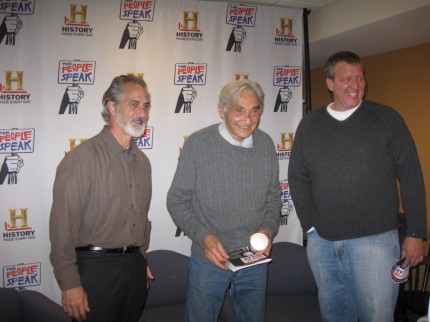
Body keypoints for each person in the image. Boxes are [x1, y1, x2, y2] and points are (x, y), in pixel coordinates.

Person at [288, 51, 427, 322]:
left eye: (360, 78)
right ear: (330, 83)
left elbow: (410, 175)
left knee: (377, 316)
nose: (355, 85)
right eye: (346, 79)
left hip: (375, 241)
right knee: (334, 315)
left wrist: (416, 232)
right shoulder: (310, 125)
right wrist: (311, 226)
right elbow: (298, 177)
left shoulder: (387, 119)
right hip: (323, 242)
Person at [167, 79, 281, 322]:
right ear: (222, 110)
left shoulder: (266, 144)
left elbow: (273, 198)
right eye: (239, 110)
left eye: (254, 111)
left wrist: (267, 231)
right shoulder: (198, 144)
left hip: (253, 258)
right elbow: (177, 200)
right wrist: (205, 238)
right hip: (210, 259)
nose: (247, 119)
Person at [49, 75, 154, 322]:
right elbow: (62, 227)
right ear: (112, 106)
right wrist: (69, 283)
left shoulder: (143, 162)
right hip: (95, 272)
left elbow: (140, 218)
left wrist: (140, 260)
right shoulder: (81, 159)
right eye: (134, 104)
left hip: (134, 268)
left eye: (146, 105)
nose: (143, 112)